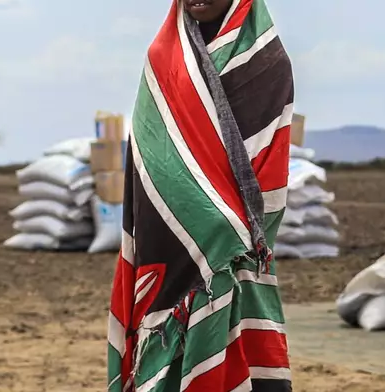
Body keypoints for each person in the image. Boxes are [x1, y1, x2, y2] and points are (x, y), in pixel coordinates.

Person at [107, 0, 294, 391]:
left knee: (235, 325)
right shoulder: (163, 56)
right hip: (168, 227)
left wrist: (229, 225)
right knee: (162, 325)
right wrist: (193, 210)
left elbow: (269, 151)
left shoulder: (265, 59)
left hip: (236, 240)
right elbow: (151, 148)